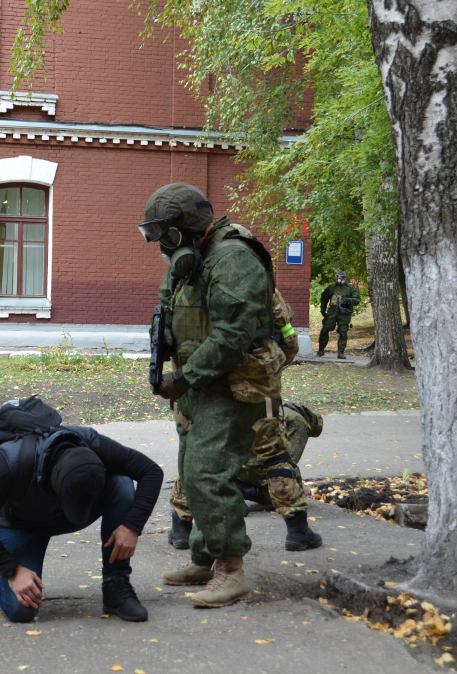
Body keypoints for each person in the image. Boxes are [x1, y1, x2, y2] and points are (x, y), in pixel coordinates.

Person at [140, 182, 284, 608]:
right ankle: (205, 559)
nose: (161, 247)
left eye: (163, 235)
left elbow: (232, 334)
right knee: (191, 471)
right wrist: (163, 342)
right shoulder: (190, 262)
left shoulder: (234, 259)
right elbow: (167, 306)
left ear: (185, 228)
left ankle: (231, 571)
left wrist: (184, 377)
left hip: (233, 382)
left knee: (208, 473)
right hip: (198, 383)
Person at [0, 397, 163, 623]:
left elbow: (151, 472)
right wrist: (12, 570)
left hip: (55, 513)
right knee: (21, 610)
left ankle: (116, 584)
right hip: (19, 523)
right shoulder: (9, 462)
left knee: (121, 484)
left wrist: (132, 525)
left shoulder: (89, 441)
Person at [167, 288, 323, 553]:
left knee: (195, 453)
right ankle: (298, 530)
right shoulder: (256, 279)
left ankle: (181, 527)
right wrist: (268, 371)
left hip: (201, 380)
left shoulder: (190, 279)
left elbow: (172, 336)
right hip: (253, 382)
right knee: (274, 455)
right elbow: (287, 337)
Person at [168, 402, 325, 551]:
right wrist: (296, 484)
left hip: (229, 461)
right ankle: (298, 531)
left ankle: (181, 527)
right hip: (259, 464)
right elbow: (289, 460)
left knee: (196, 456)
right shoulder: (297, 421)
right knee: (278, 460)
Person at [318, 270, 361, 359]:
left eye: (342, 277)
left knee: (343, 333)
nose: (340, 279)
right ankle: (321, 349)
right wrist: (323, 310)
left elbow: (357, 299)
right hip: (332, 311)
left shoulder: (350, 288)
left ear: (345, 278)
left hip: (344, 313)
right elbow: (324, 297)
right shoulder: (331, 288)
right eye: (339, 277)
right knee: (325, 330)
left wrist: (349, 300)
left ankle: (341, 352)